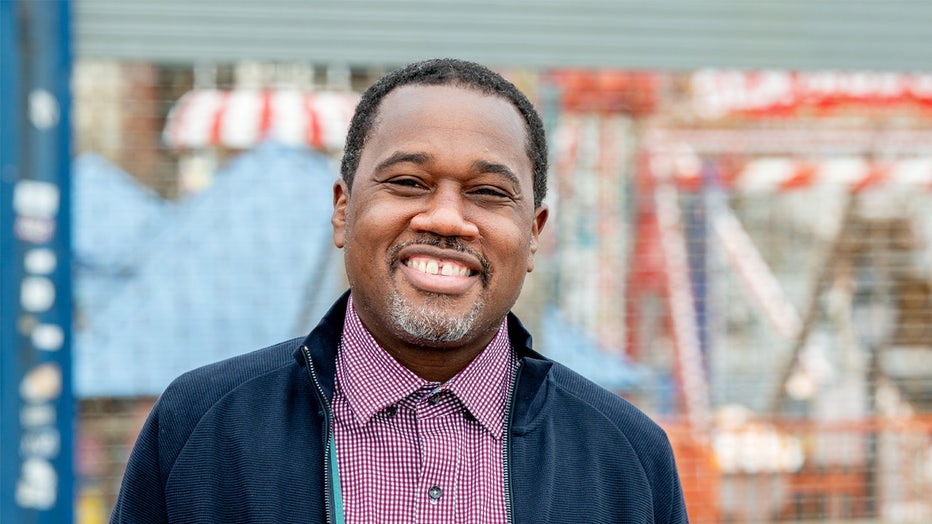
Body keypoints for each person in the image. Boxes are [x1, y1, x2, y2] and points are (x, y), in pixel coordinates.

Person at [110, 58, 689, 524]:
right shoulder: (200, 429)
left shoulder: (629, 460)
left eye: (488, 192)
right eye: (408, 182)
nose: (445, 218)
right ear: (343, 210)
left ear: (534, 235)